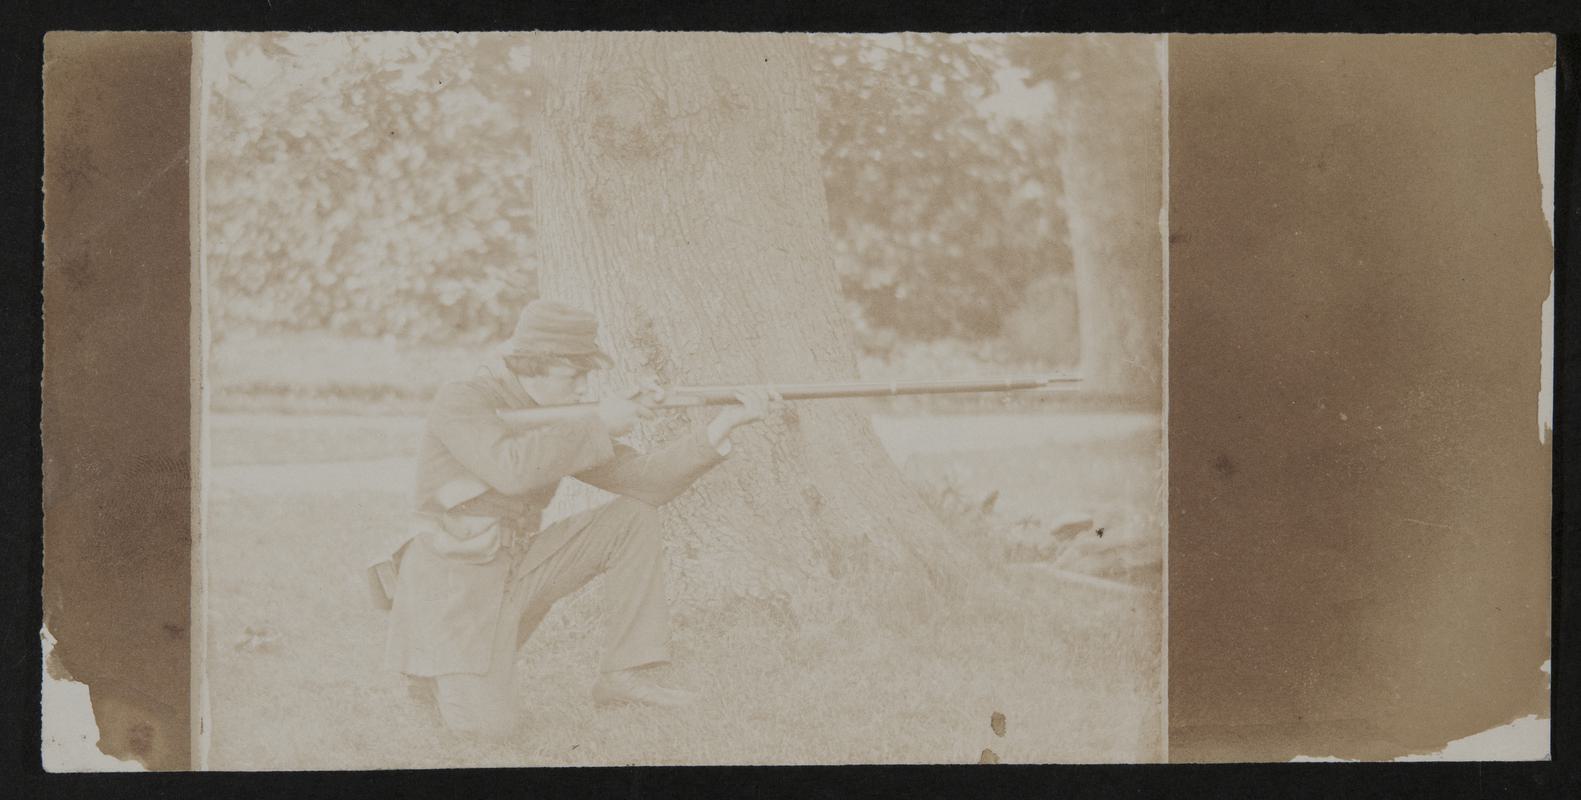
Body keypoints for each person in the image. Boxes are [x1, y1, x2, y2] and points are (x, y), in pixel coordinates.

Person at [366, 299, 779, 739]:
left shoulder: (567, 420)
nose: (584, 389)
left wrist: (722, 426)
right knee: (489, 732)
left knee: (633, 517)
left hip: (518, 569)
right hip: (456, 587)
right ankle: (430, 671)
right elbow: (509, 469)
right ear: (534, 365)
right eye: (573, 376)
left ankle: (624, 675)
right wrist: (598, 424)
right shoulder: (463, 400)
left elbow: (648, 483)